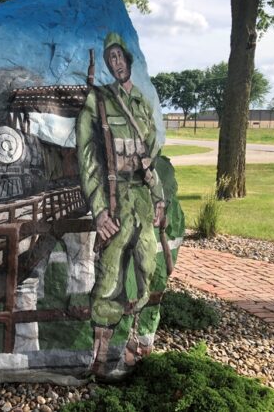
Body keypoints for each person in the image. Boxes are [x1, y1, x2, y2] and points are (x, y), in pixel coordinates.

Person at [76, 32, 165, 377]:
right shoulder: (98, 100)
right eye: (110, 58)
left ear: (128, 59)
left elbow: (150, 158)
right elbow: (88, 158)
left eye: (119, 56)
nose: (116, 63)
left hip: (142, 200)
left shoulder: (141, 103)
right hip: (115, 202)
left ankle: (132, 344)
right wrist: (99, 210)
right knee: (109, 280)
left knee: (147, 270)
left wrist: (158, 198)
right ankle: (99, 358)